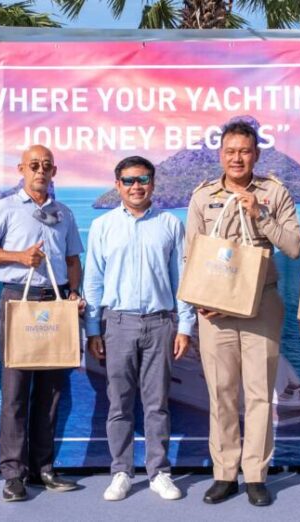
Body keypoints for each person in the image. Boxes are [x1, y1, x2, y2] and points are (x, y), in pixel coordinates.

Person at [186, 120, 300, 507]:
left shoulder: (274, 192)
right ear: (221, 154)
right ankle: (224, 473)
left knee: (258, 394)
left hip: (261, 305)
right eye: (230, 151)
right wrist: (198, 299)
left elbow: (294, 248)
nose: (237, 158)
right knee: (221, 393)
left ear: (256, 154)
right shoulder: (203, 196)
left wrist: (261, 216)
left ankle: (255, 474)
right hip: (214, 310)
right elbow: (191, 253)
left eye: (245, 151)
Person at [0, 145, 84, 502]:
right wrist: (18, 257)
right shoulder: (5, 208)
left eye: (46, 165)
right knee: (16, 392)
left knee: (51, 392)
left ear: (54, 172)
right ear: (21, 169)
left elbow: (72, 259)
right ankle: (13, 474)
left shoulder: (64, 213)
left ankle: (42, 468)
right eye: (33, 165)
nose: (40, 170)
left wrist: (75, 293)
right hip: (18, 299)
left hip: (55, 301)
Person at [84, 156, 196, 502]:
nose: (136, 186)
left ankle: (159, 472)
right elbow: (93, 281)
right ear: (117, 185)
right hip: (117, 324)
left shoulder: (170, 224)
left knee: (157, 404)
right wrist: (93, 330)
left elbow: (182, 281)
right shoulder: (102, 226)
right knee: (119, 403)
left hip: (160, 324)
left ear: (152, 183)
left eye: (143, 179)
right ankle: (121, 471)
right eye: (129, 180)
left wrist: (185, 326)